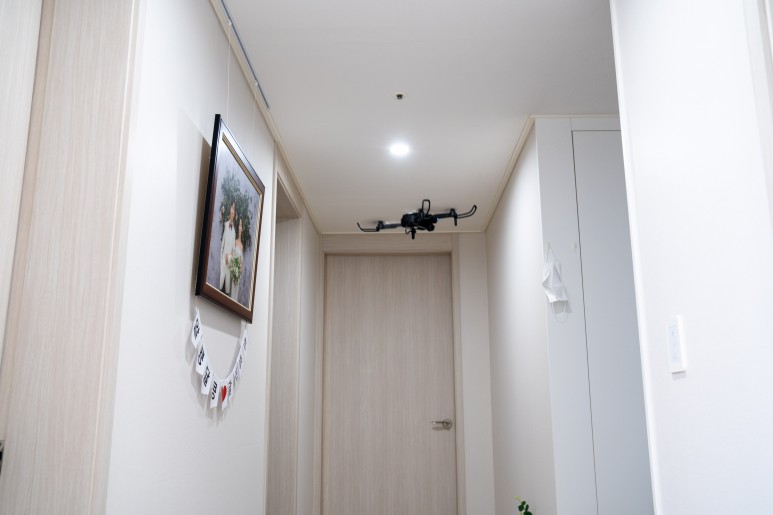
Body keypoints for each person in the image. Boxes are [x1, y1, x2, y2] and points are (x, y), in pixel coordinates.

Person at [219, 201, 236, 295]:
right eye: (232, 208)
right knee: (220, 283)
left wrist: (229, 257)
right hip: (223, 259)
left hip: (229, 261)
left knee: (227, 289)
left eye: (234, 209)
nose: (232, 211)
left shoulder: (234, 231)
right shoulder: (226, 224)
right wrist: (223, 257)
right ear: (230, 210)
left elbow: (233, 249)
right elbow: (223, 243)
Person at [230, 217, 244, 302]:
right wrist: (234, 269)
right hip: (233, 270)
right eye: (239, 225)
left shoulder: (241, 245)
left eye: (241, 226)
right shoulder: (235, 241)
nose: (240, 228)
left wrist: (239, 272)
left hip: (238, 273)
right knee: (232, 291)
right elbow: (232, 255)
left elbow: (241, 262)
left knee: (236, 292)